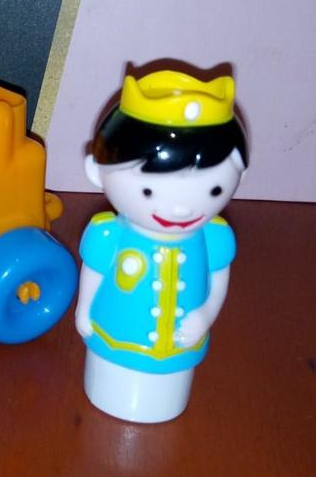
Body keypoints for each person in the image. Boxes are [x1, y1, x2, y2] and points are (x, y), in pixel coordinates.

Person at [75, 69, 248, 422]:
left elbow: (217, 283)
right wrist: (83, 311)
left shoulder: (215, 237)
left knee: (170, 390)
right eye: (149, 190)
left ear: (239, 176)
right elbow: (92, 273)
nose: (181, 209)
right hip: (115, 336)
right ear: (97, 172)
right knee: (108, 381)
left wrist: (205, 315)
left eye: (214, 189)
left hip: (180, 350)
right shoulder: (107, 234)